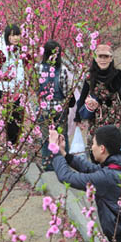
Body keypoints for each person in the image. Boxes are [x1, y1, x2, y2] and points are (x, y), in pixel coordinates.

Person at [74, 44, 121, 149]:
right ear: (95, 58)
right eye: (100, 56)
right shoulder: (90, 76)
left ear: (111, 58)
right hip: (96, 116)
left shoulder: (118, 75)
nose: (103, 60)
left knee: (113, 146)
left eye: (106, 57)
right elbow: (83, 96)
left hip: (114, 115)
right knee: (96, 146)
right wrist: (78, 117)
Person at [37, 40, 74, 171]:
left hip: (44, 108)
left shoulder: (38, 68)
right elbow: (65, 91)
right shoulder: (63, 70)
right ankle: (64, 164)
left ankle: (47, 164)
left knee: (46, 137)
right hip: (59, 108)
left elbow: (36, 88)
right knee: (62, 136)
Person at [0, 24, 25, 148]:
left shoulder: (18, 50)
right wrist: (8, 77)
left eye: (17, 34)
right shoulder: (2, 52)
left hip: (18, 88)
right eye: (13, 35)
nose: (16, 38)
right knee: (11, 118)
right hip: (7, 90)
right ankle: (11, 144)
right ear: (7, 36)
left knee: (19, 116)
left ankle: (14, 142)